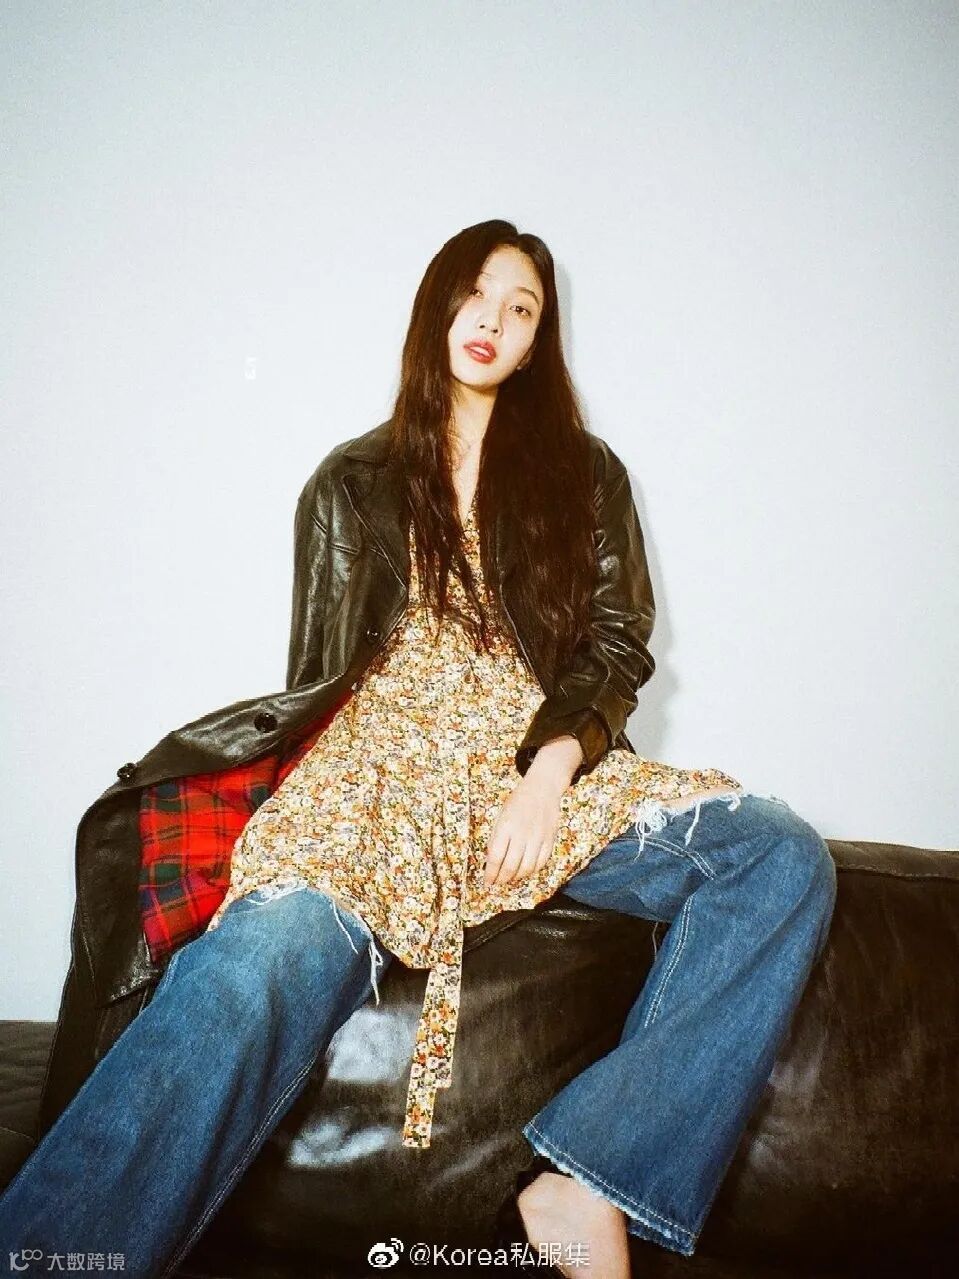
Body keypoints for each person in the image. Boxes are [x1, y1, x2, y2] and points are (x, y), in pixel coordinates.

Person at [0, 219, 837, 1279]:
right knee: (249, 968)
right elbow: (320, 673)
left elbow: (618, 642)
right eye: (474, 294)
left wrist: (547, 772)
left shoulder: (584, 474)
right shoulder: (348, 481)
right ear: (435, 305)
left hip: (531, 758)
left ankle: (590, 1177)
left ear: (535, 344)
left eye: (521, 308)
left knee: (774, 851)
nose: (492, 320)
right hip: (376, 773)